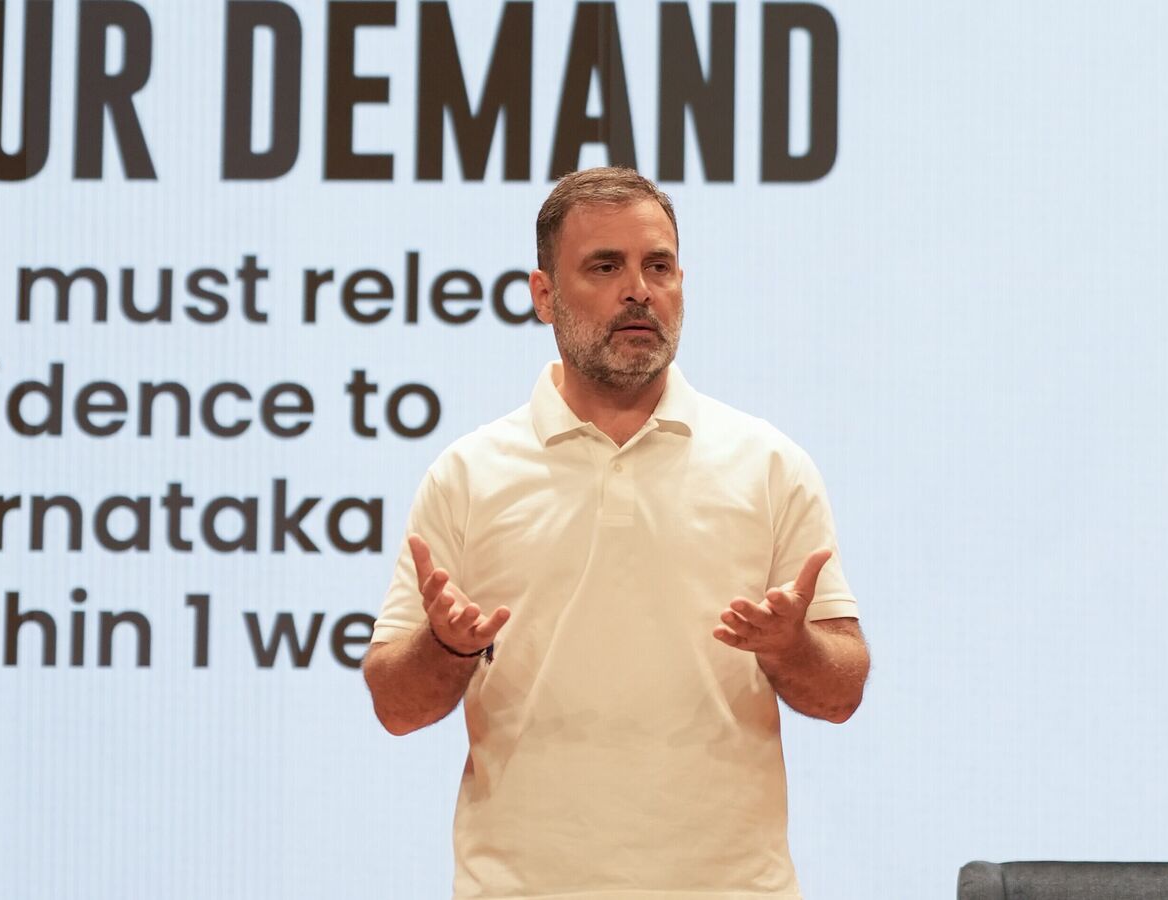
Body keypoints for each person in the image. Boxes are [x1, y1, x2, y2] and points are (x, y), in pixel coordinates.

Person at [363, 167, 870, 899]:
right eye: (606, 266)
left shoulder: (767, 465)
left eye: (657, 266)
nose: (639, 289)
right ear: (544, 295)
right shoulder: (468, 476)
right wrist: (445, 647)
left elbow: (840, 694)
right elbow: (396, 707)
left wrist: (793, 645)